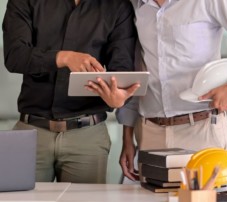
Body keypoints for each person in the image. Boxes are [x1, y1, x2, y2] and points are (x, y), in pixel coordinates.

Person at [89, 0, 227, 181]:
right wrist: (127, 137)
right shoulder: (135, 6)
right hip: (150, 134)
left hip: (201, 130)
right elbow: (137, 71)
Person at [2, 0, 139, 183]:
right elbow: (15, 56)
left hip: (87, 137)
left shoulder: (117, 6)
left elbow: (122, 68)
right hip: (31, 133)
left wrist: (117, 98)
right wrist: (63, 57)